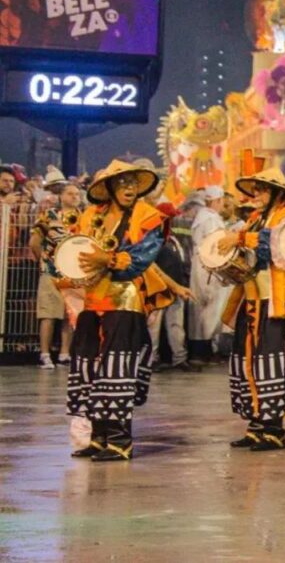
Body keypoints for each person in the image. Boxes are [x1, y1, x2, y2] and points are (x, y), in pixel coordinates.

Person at [66, 160, 170, 461]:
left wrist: (106, 259)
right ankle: (98, 438)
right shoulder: (89, 216)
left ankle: (120, 441)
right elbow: (72, 250)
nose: (129, 189)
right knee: (89, 369)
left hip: (124, 302)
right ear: (109, 187)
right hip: (91, 303)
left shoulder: (149, 217)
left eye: (133, 184)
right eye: (122, 183)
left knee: (116, 371)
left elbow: (141, 258)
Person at [217, 167, 285, 451]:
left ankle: (273, 429)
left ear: (278, 193)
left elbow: (274, 247)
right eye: (255, 190)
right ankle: (256, 424)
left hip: (273, 301)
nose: (257, 195)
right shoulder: (254, 219)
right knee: (246, 360)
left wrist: (239, 240)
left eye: (263, 190)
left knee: (269, 362)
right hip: (251, 299)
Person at [29, 178, 81, 369]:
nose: (74, 197)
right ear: (61, 196)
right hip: (51, 271)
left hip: (73, 273)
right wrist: (43, 260)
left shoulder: (83, 217)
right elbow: (34, 242)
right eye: (70, 193)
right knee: (49, 314)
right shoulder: (49, 216)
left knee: (70, 314)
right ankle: (44, 353)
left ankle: (65, 353)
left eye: (77, 194)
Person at [146, 202, 196, 373]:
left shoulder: (172, 239)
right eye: (172, 217)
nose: (176, 220)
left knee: (176, 325)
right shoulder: (153, 239)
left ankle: (179, 358)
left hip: (176, 287)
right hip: (158, 288)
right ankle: (151, 359)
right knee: (154, 325)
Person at [189, 185, 228, 362]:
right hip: (210, 265)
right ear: (217, 200)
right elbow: (216, 244)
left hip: (199, 264)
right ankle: (206, 350)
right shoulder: (211, 219)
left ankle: (199, 349)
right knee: (211, 307)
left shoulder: (200, 217)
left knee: (199, 308)